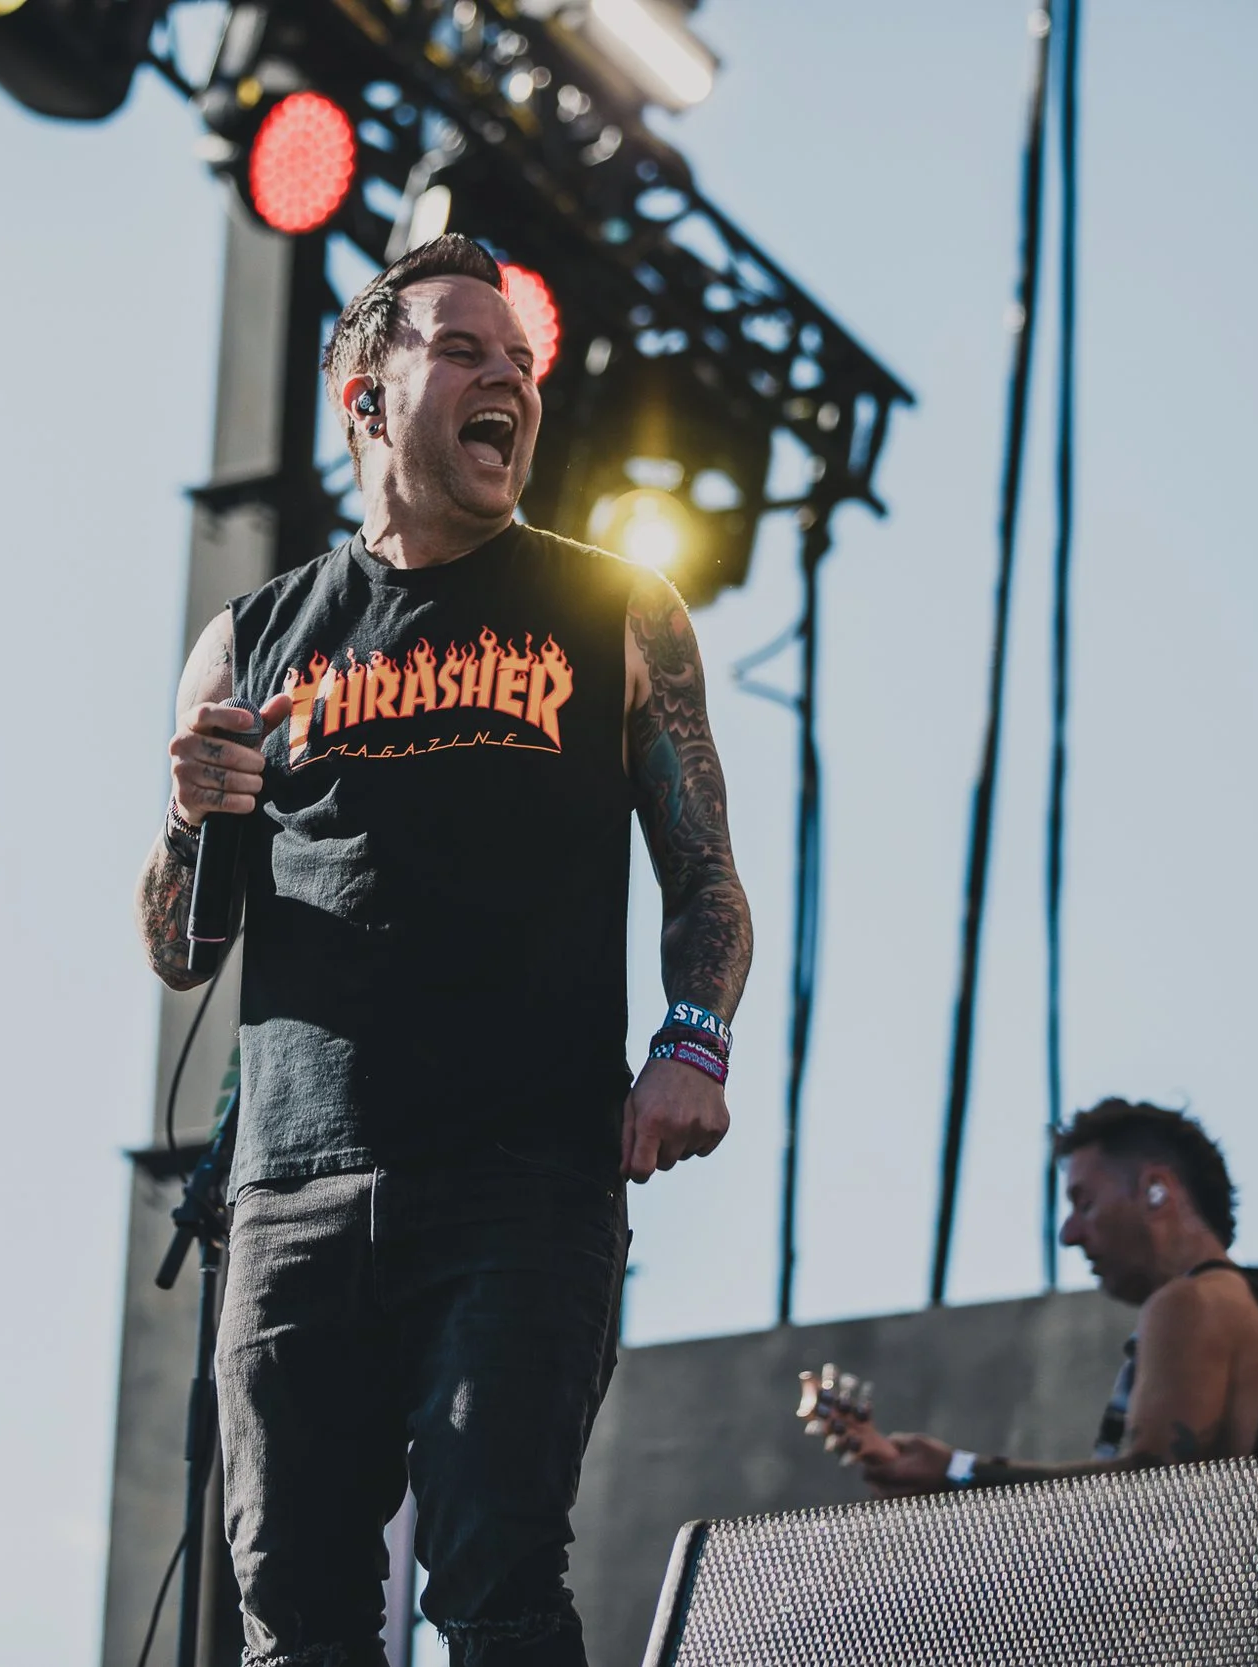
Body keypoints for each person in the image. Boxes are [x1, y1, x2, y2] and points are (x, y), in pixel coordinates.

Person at [134, 234, 753, 1667]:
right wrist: (186, 818)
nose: (508, 383)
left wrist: (692, 1043)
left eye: (520, 364)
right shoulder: (250, 640)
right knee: (292, 1614)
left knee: (494, 1578)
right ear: (366, 397)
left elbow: (705, 874)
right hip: (293, 1187)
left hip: (520, 1177)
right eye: (464, 351)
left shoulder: (616, 609)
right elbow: (183, 947)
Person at [857, 1099, 1258, 1497]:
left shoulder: (1189, 1304)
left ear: (1156, 1190)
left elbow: (1144, 1495)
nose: (1068, 1233)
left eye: (1084, 1203)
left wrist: (955, 1472)